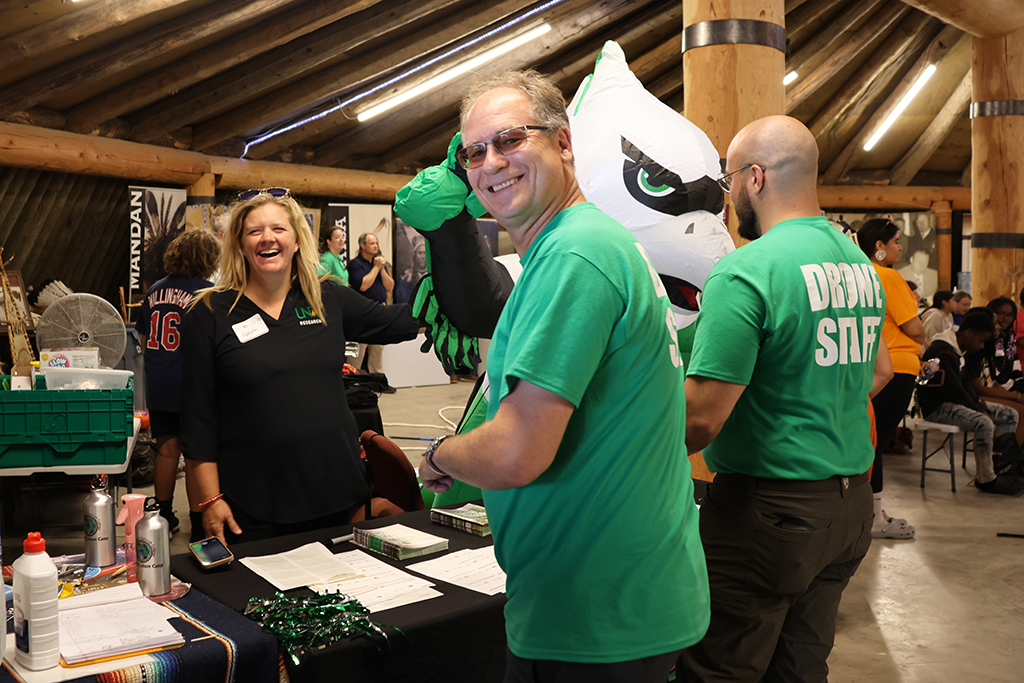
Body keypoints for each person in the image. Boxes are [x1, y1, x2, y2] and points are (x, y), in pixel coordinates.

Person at [417, 70, 709, 683]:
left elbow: (517, 451)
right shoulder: (581, 246)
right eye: (474, 152)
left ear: (565, 143)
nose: (491, 162)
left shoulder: (575, 255)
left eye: (510, 139)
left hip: (596, 619)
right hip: (602, 604)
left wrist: (442, 454)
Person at [680, 115, 885, 683]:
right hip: (848, 508)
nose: (727, 199)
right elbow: (878, 371)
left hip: (766, 516)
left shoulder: (748, 271)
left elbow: (698, 421)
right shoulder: (858, 264)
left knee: (718, 669)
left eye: (727, 183)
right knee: (799, 669)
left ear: (755, 177)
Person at [179, 188, 419, 545]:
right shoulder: (210, 313)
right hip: (253, 505)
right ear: (240, 244)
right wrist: (209, 500)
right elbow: (197, 419)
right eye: (254, 231)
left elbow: (399, 322)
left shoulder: (327, 298)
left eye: (278, 228)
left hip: (337, 493)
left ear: (295, 240)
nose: (267, 238)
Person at [136, 229, 220, 534]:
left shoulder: (155, 289)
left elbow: (145, 339)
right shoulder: (210, 293)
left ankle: (164, 515)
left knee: (167, 450)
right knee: (198, 453)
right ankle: (199, 523)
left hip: (159, 383)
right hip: (192, 385)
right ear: (210, 259)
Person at [859, 219, 922, 540]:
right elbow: (915, 329)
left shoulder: (859, 275)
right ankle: (873, 518)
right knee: (877, 440)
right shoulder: (888, 276)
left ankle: (869, 512)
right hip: (896, 365)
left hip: (868, 364)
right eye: (896, 241)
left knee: (870, 438)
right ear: (879, 247)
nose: (900, 246)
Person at [918, 310, 1024, 495]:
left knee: (1009, 414)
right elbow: (955, 390)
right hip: (937, 407)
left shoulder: (957, 350)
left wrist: (980, 405)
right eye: (980, 341)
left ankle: (1003, 466)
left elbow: (966, 385)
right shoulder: (943, 350)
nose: (982, 346)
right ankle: (986, 479)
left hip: (954, 403)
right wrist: (978, 410)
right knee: (983, 423)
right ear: (968, 333)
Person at [347, 232, 395, 380]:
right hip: (361, 312)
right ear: (362, 246)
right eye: (372, 243)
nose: (375, 246)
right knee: (359, 349)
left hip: (379, 309)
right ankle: (354, 380)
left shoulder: (379, 263)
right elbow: (363, 285)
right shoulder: (355, 264)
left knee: (377, 348)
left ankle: (377, 380)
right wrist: (375, 268)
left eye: (376, 243)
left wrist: (381, 268)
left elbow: (390, 286)